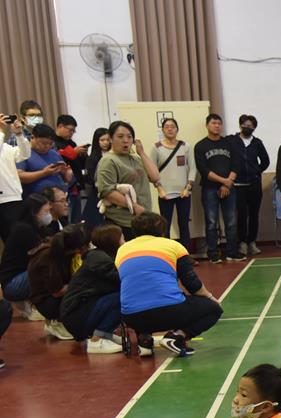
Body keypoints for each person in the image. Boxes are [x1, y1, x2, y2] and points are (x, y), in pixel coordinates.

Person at [116, 212, 222, 356]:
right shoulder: (173, 246)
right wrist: (210, 297)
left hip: (131, 317)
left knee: (141, 295)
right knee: (213, 309)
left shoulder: (122, 250)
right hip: (168, 313)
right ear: (161, 229)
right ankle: (177, 337)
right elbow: (191, 283)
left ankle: (144, 340)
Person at [59, 223, 123, 353]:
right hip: (77, 315)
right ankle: (98, 339)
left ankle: (105, 335)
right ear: (113, 242)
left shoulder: (99, 256)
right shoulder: (101, 260)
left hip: (80, 311)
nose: (125, 242)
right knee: (123, 298)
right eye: (122, 238)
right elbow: (121, 280)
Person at [194, 114, 243, 262]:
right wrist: (224, 181)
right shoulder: (200, 146)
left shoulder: (229, 143)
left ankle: (232, 252)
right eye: (213, 123)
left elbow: (236, 164)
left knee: (231, 221)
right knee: (211, 222)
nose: (216, 126)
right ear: (207, 125)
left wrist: (228, 183)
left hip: (229, 188)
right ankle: (213, 253)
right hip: (209, 188)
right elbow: (204, 170)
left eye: (219, 123)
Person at [27, 223, 88, 340]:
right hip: (48, 301)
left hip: (57, 294)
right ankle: (56, 321)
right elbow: (57, 291)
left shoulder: (62, 252)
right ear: (77, 248)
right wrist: (81, 283)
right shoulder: (48, 257)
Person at [0, 193, 53, 315]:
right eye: (46, 212)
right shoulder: (23, 230)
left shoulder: (39, 228)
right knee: (50, 267)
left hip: (22, 277)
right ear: (34, 212)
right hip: (12, 283)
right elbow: (43, 253)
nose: (48, 215)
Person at [152, 118, 195, 250]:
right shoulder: (156, 147)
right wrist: (159, 188)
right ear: (163, 130)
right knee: (165, 226)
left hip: (184, 193)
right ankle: (167, 254)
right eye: (167, 127)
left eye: (173, 126)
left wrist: (188, 187)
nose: (170, 129)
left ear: (177, 129)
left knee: (184, 225)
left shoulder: (185, 146)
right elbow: (151, 170)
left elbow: (193, 168)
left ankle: (185, 255)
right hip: (165, 194)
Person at [232, 114, 270, 256]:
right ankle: (242, 242)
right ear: (240, 125)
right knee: (241, 215)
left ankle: (252, 241)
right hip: (238, 184)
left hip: (254, 184)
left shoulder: (257, 142)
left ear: (254, 128)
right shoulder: (232, 141)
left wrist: (256, 171)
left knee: (254, 214)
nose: (248, 128)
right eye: (245, 125)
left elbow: (265, 160)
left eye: (251, 126)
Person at [16, 123, 72, 197]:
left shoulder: (54, 154)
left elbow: (66, 179)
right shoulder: (24, 153)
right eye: (43, 143)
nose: (47, 146)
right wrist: (43, 173)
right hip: (37, 199)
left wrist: (65, 172)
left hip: (59, 197)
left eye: (50, 143)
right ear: (32, 138)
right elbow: (20, 177)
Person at [53, 115, 89, 222]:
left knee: (76, 218)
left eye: (74, 131)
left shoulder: (72, 143)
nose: (72, 133)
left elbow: (80, 165)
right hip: (61, 187)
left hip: (75, 185)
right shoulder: (52, 143)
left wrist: (82, 155)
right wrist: (73, 152)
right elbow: (57, 161)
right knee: (65, 219)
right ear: (60, 126)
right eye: (70, 130)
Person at [0, 115, 30, 240]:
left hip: (15, 197)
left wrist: (19, 134)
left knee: (18, 238)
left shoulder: (5, 147)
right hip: (3, 200)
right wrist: (1, 130)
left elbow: (24, 154)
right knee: (11, 239)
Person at [81, 127, 110, 228]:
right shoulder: (92, 158)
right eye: (102, 140)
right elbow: (91, 178)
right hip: (98, 193)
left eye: (108, 139)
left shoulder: (114, 155)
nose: (106, 142)